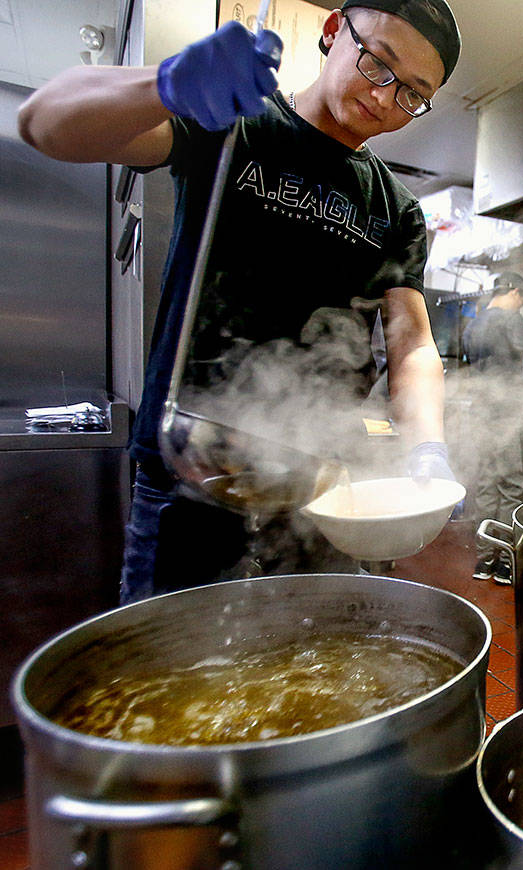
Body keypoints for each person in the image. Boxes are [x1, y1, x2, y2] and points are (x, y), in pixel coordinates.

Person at [18, 0, 461, 603]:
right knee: (171, 675)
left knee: (306, 677)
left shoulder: (397, 209)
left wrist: (428, 450)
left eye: (412, 93)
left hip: (319, 491)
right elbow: (44, 123)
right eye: (379, 63)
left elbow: (410, 343)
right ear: (334, 33)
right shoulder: (234, 126)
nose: (385, 99)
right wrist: (167, 84)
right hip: (189, 473)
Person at [462, 272, 523, 584]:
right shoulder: (512, 320)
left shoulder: (473, 324)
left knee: (486, 487)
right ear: (513, 291)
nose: (522, 305)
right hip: (508, 415)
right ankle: (506, 565)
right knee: (512, 487)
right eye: (522, 299)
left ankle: (484, 562)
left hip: (480, 415)